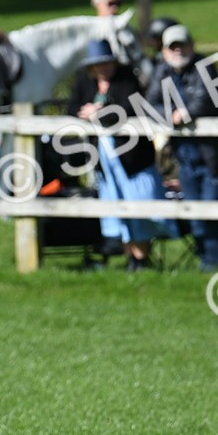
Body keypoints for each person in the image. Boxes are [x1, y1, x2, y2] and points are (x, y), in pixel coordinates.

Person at [69, 39, 173, 271]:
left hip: (132, 158)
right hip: (104, 160)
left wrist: (99, 113)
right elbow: (72, 107)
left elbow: (128, 109)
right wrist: (87, 112)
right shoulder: (85, 82)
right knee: (117, 208)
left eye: (107, 63)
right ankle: (131, 259)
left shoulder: (127, 80)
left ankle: (141, 258)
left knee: (140, 206)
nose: (103, 68)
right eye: (98, 64)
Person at [147, 23, 218, 271]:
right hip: (184, 155)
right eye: (172, 47)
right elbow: (151, 103)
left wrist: (184, 114)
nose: (178, 50)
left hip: (214, 154)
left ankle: (216, 262)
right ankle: (205, 260)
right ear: (164, 51)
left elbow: (206, 100)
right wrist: (170, 115)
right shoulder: (162, 70)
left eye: (182, 45)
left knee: (211, 208)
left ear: (192, 45)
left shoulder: (205, 67)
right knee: (193, 210)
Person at [90, 0, 149, 89]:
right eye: (110, 3)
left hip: (127, 84)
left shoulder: (128, 30)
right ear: (97, 3)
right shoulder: (89, 32)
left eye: (118, 3)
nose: (115, 8)